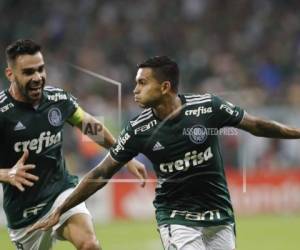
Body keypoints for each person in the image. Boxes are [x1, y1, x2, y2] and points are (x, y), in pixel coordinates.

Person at [28, 56, 300, 250]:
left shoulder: (207, 107)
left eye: (142, 83)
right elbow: (102, 172)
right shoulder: (138, 129)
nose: (134, 89)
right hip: (176, 217)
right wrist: (61, 208)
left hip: (219, 214)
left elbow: (257, 125)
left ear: (165, 87)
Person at [0, 39, 147, 250]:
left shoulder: (57, 99)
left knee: (89, 245)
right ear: (10, 74)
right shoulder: (3, 112)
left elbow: (89, 126)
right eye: (28, 72)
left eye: (40, 70)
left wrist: (124, 156)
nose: (37, 78)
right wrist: (6, 174)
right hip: (24, 214)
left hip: (61, 193)